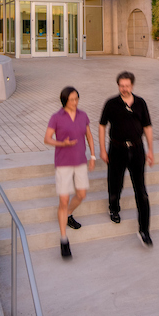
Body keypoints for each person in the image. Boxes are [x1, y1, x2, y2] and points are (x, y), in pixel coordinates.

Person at [98, 70, 155, 248]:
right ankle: (114, 208)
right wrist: (102, 149)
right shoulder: (112, 104)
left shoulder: (140, 103)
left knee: (141, 191)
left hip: (137, 149)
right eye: (121, 86)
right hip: (116, 149)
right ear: (118, 86)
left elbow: (147, 126)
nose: (124, 89)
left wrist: (151, 150)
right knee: (115, 184)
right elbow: (102, 125)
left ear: (132, 86)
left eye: (127, 86)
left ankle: (144, 230)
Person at [44, 85, 95, 259]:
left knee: (81, 195)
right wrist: (62, 144)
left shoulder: (83, 115)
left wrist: (93, 156)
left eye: (77, 99)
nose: (75, 102)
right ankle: (64, 239)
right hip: (63, 163)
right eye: (72, 99)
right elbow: (47, 138)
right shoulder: (56, 118)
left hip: (80, 161)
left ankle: (68, 215)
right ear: (65, 100)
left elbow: (89, 135)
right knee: (64, 199)